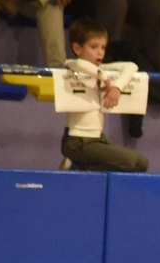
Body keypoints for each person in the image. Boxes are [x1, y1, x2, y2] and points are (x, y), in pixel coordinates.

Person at [60, 18, 148, 171]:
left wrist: (116, 88)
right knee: (129, 161)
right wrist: (104, 78)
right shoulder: (74, 67)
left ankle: (78, 166)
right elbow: (77, 64)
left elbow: (131, 66)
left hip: (97, 138)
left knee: (142, 163)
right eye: (93, 47)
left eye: (103, 47)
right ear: (77, 48)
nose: (100, 52)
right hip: (77, 140)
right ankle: (75, 164)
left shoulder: (101, 69)